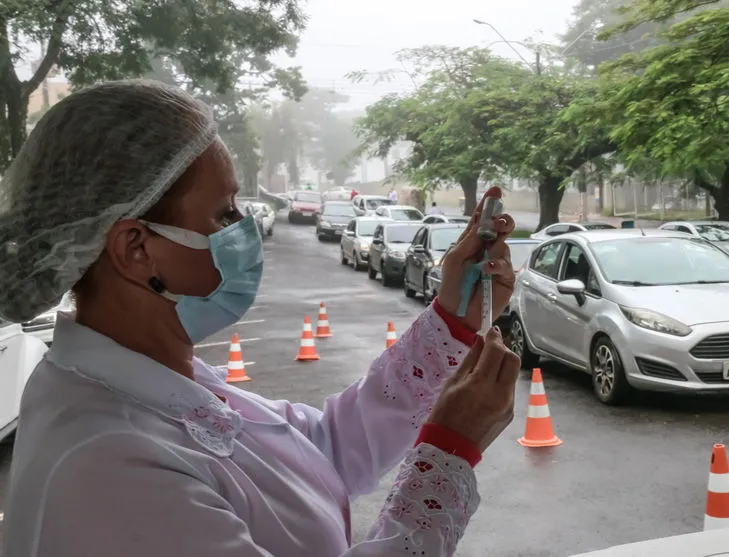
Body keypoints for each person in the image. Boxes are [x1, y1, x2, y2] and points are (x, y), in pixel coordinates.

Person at [0, 80, 521, 557]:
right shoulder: (107, 464)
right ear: (137, 248)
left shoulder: (156, 379)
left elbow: (321, 450)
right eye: (224, 213)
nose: (245, 229)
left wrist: (451, 315)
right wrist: (447, 454)